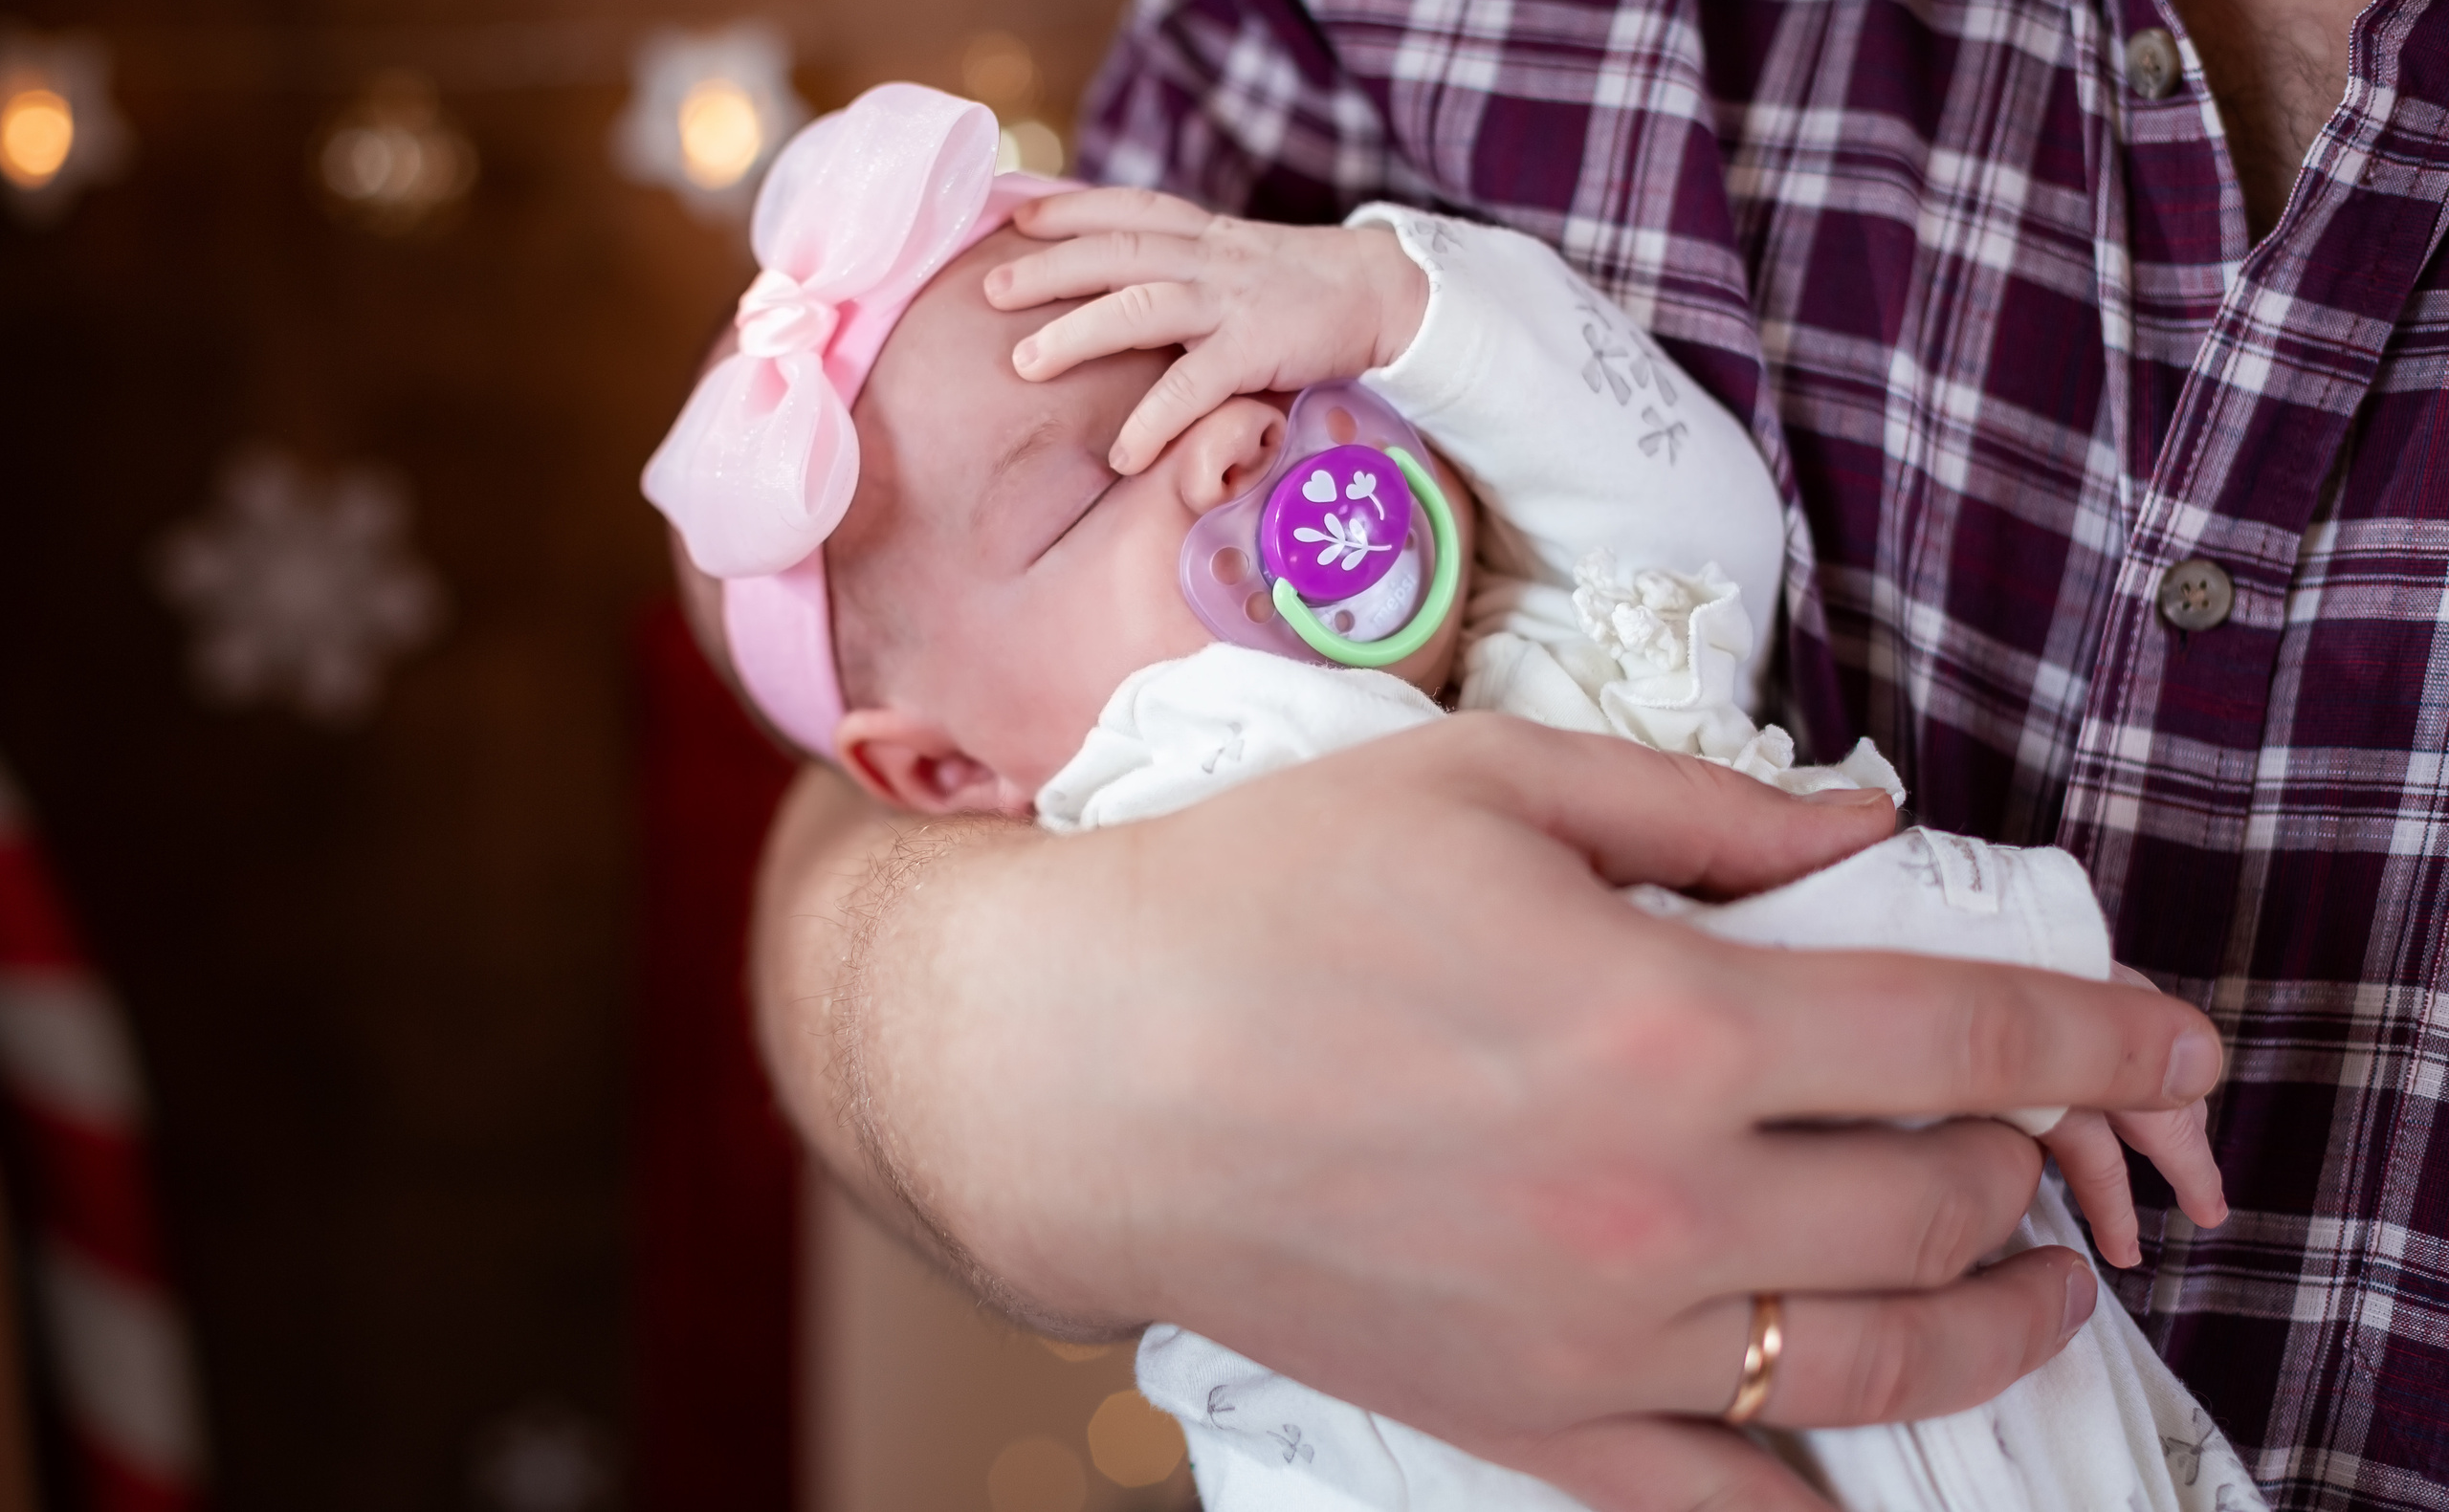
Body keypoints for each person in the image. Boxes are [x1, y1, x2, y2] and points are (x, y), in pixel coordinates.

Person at [650, 79, 2250, 1509]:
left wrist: (1380, 298)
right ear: (942, 773)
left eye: (1200, 351)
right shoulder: (1181, 832)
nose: (1220, 444)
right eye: (1079, 501)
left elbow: (1689, 520)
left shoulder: (1528, 633)